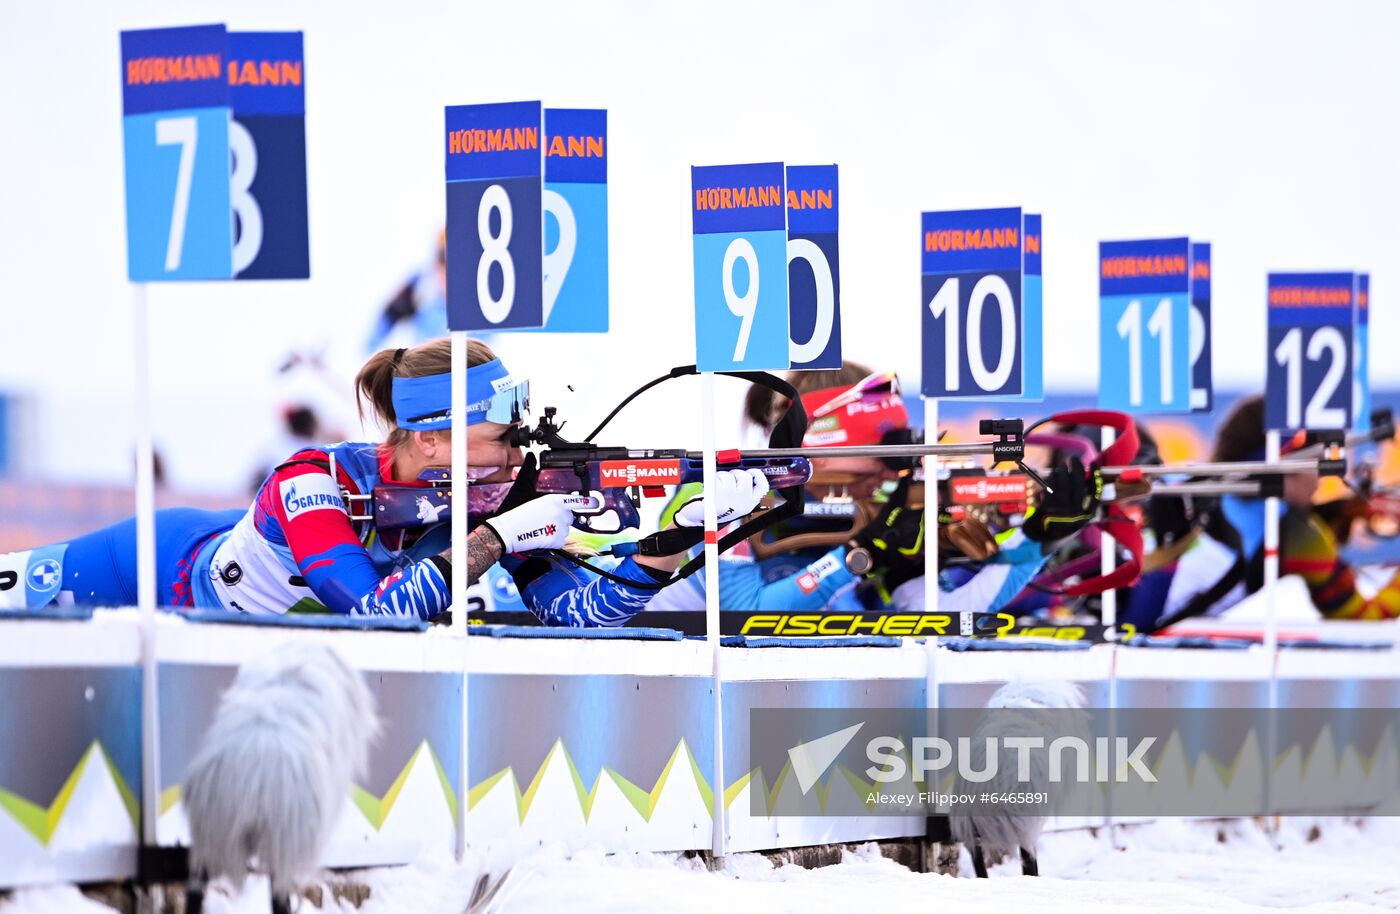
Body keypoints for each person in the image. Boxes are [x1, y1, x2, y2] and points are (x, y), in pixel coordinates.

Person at [0, 339, 766, 627]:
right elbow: (371, 612)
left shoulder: (491, 495)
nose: (513, 455)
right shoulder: (314, 482)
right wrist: (496, 541)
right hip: (155, 572)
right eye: (500, 438)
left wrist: (665, 548)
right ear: (431, 437)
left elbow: (580, 615)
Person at [646, 362, 1099, 614]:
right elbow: (752, 614)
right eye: (881, 454)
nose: (889, 472)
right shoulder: (725, 493)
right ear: (820, 446)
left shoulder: (880, 509)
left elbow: (935, 616)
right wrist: (859, 556)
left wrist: (1038, 539)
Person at [1137, 394, 1400, 626]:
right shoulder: (1301, 536)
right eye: (1316, 464)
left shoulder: (1189, 479)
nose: (1320, 479)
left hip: (1111, 614)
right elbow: (1366, 615)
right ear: (1286, 466)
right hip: (1132, 632)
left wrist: (1343, 511)